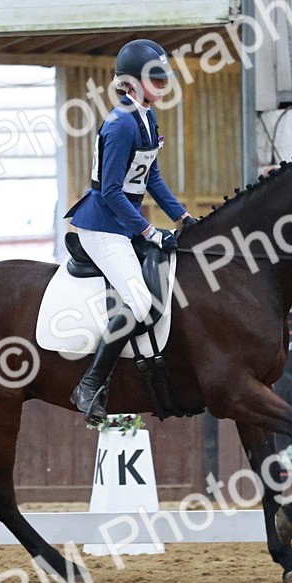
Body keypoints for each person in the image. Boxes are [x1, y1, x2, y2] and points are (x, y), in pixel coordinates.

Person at [65, 39, 197, 424]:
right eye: (155, 77)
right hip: (103, 225)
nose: (163, 83)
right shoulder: (122, 123)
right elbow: (109, 192)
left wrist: (183, 218)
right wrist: (148, 231)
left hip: (123, 223)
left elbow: (149, 176)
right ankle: (90, 386)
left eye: (163, 76)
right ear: (131, 82)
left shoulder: (146, 116)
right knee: (139, 305)